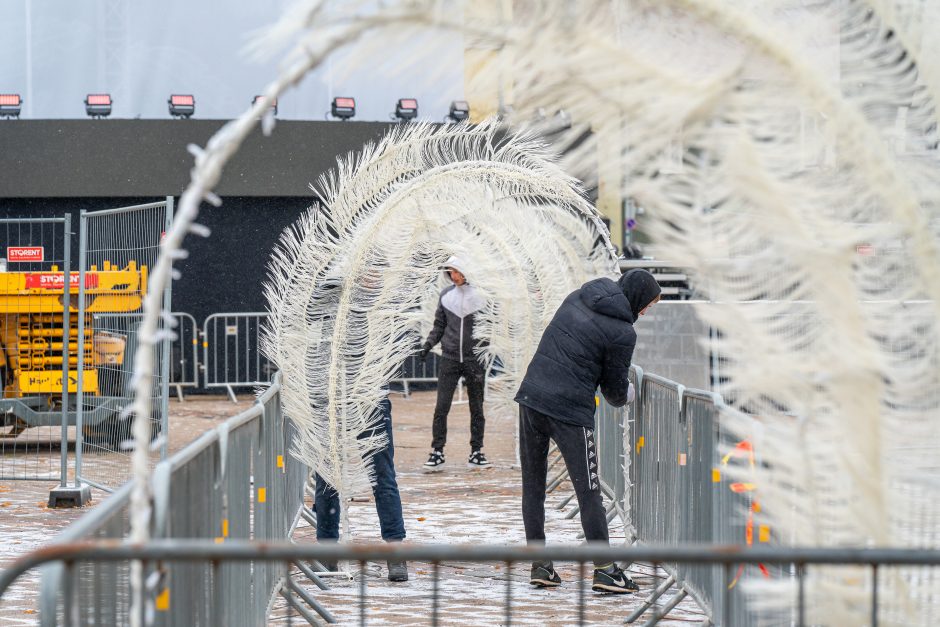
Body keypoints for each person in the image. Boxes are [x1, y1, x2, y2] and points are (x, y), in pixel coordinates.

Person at [514, 268, 661, 593]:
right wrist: (632, 392)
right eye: (647, 305)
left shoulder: (578, 296)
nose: (645, 311)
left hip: (531, 396)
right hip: (568, 409)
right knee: (588, 489)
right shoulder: (623, 332)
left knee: (533, 485)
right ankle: (606, 570)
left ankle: (540, 565)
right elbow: (614, 393)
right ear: (637, 298)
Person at [314, 396, 409, 582]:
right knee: (326, 476)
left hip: (369, 395)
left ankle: (395, 552)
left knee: (383, 477)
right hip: (327, 398)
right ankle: (327, 550)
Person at [419, 255, 491, 471]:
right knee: (441, 407)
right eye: (450, 272)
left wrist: (484, 348)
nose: (454, 276)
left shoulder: (481, 297)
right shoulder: (446, 296)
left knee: (476, 407)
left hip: (473, 360)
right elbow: (439, 326)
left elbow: (490, 325)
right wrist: (428, 344)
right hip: (449, 358)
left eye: (457, 271)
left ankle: (477, 451)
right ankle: (437, 451)